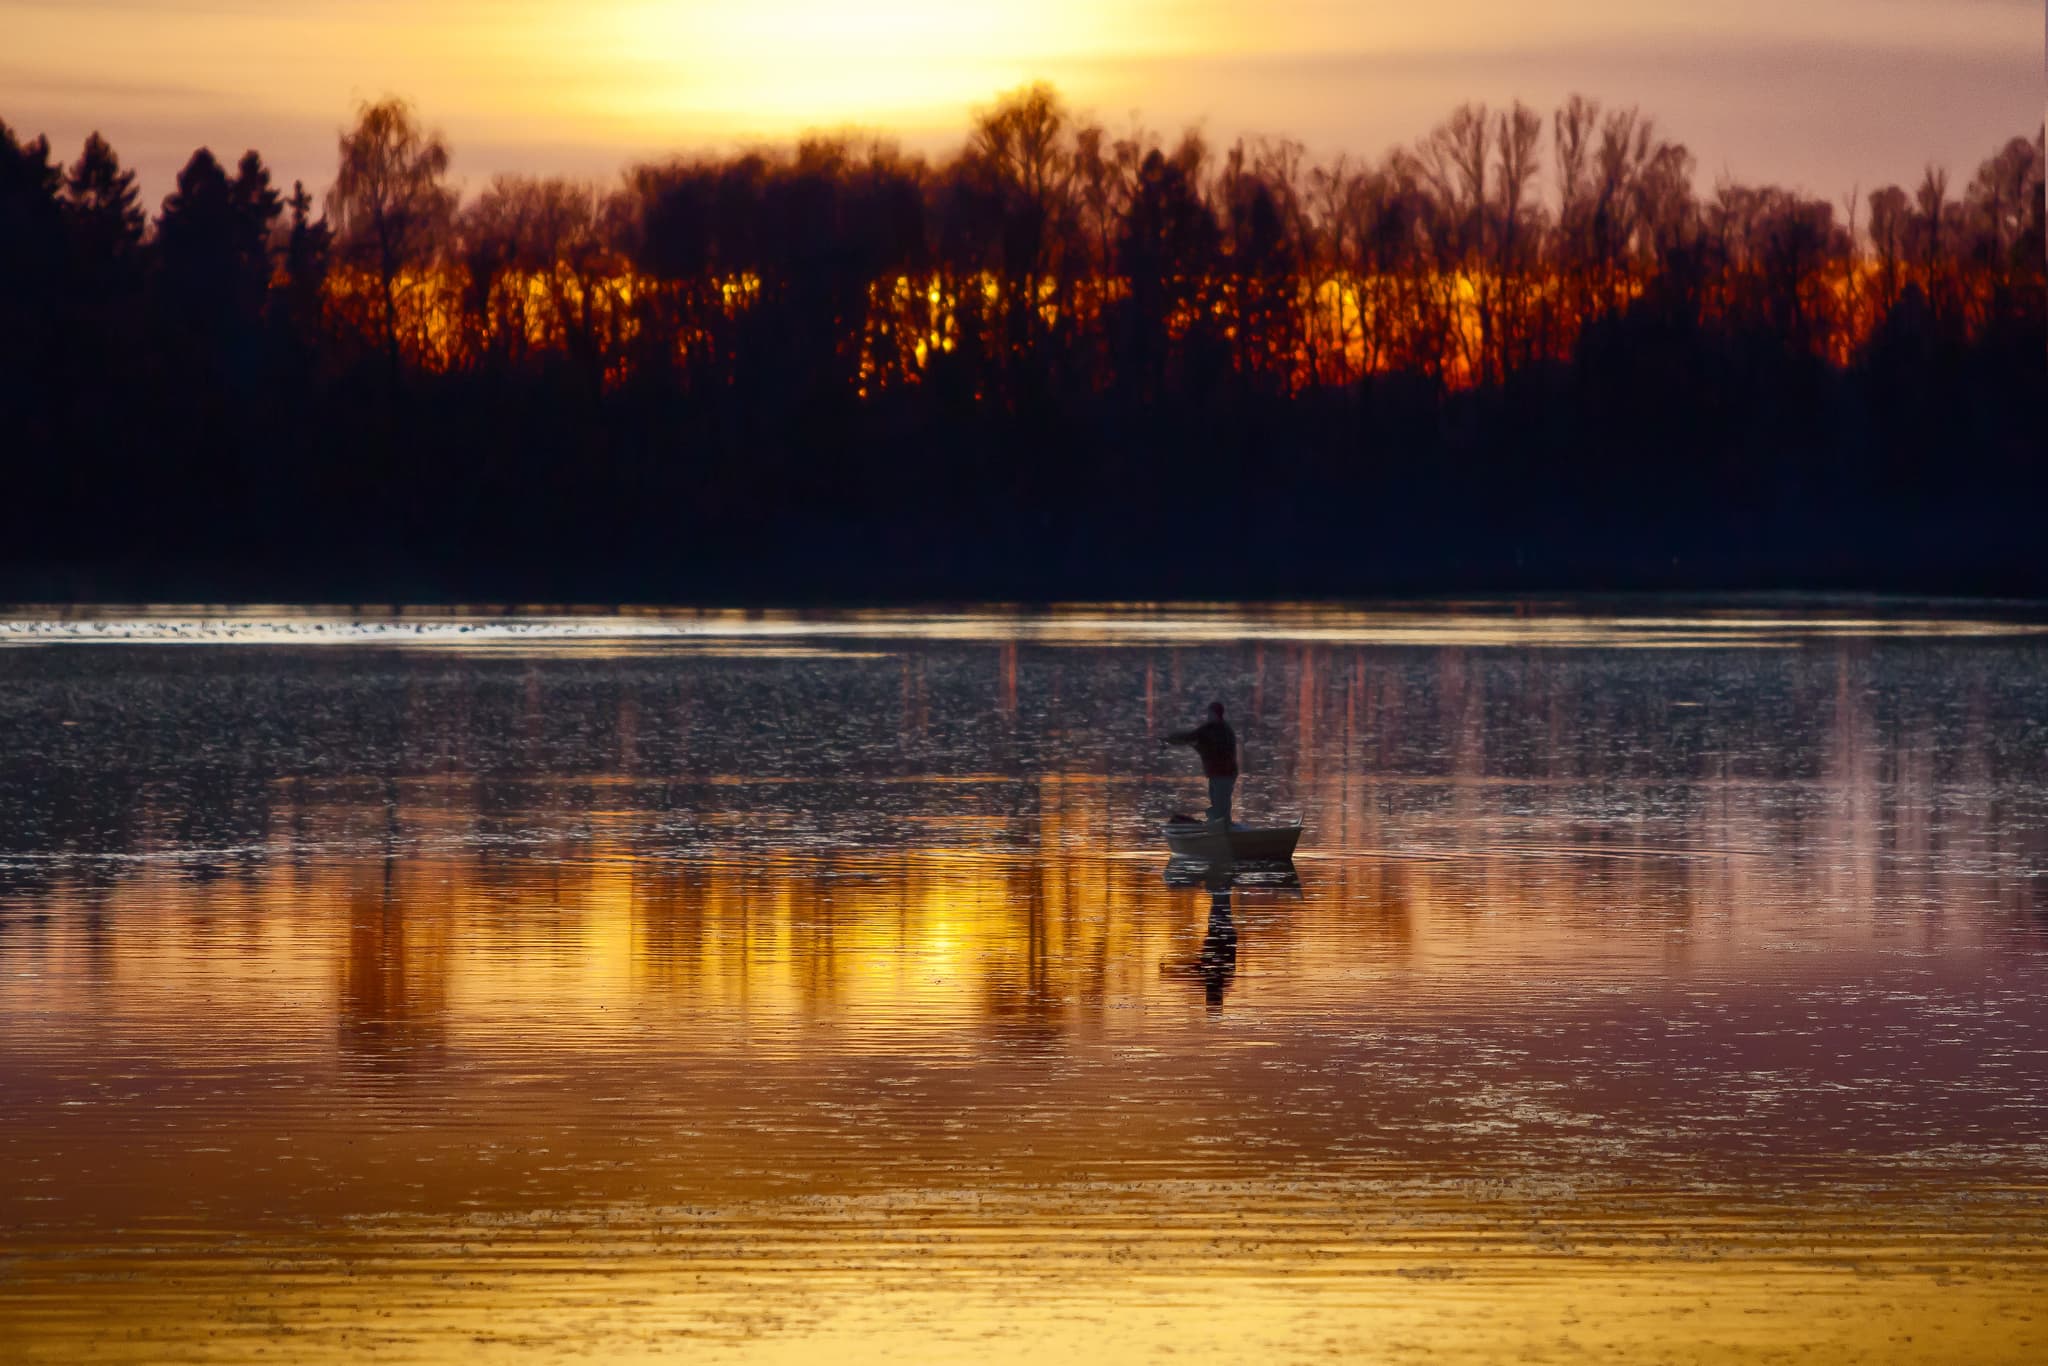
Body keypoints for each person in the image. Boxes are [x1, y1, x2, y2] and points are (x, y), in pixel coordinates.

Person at [1163, 701, 1238, 825]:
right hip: (1216, 774)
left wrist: (1198, 746)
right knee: (1217, 801)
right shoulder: (1208, 729)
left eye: (1211, 713)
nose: (1209, 716)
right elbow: (1190, 737)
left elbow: (1214, 750)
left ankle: (1223, 827)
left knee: (1221, 803)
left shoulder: (1224, 731)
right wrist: (1171, 739)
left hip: (1225, 774)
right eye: (1209, 713)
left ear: (1217, 714)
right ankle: (1220, 825)